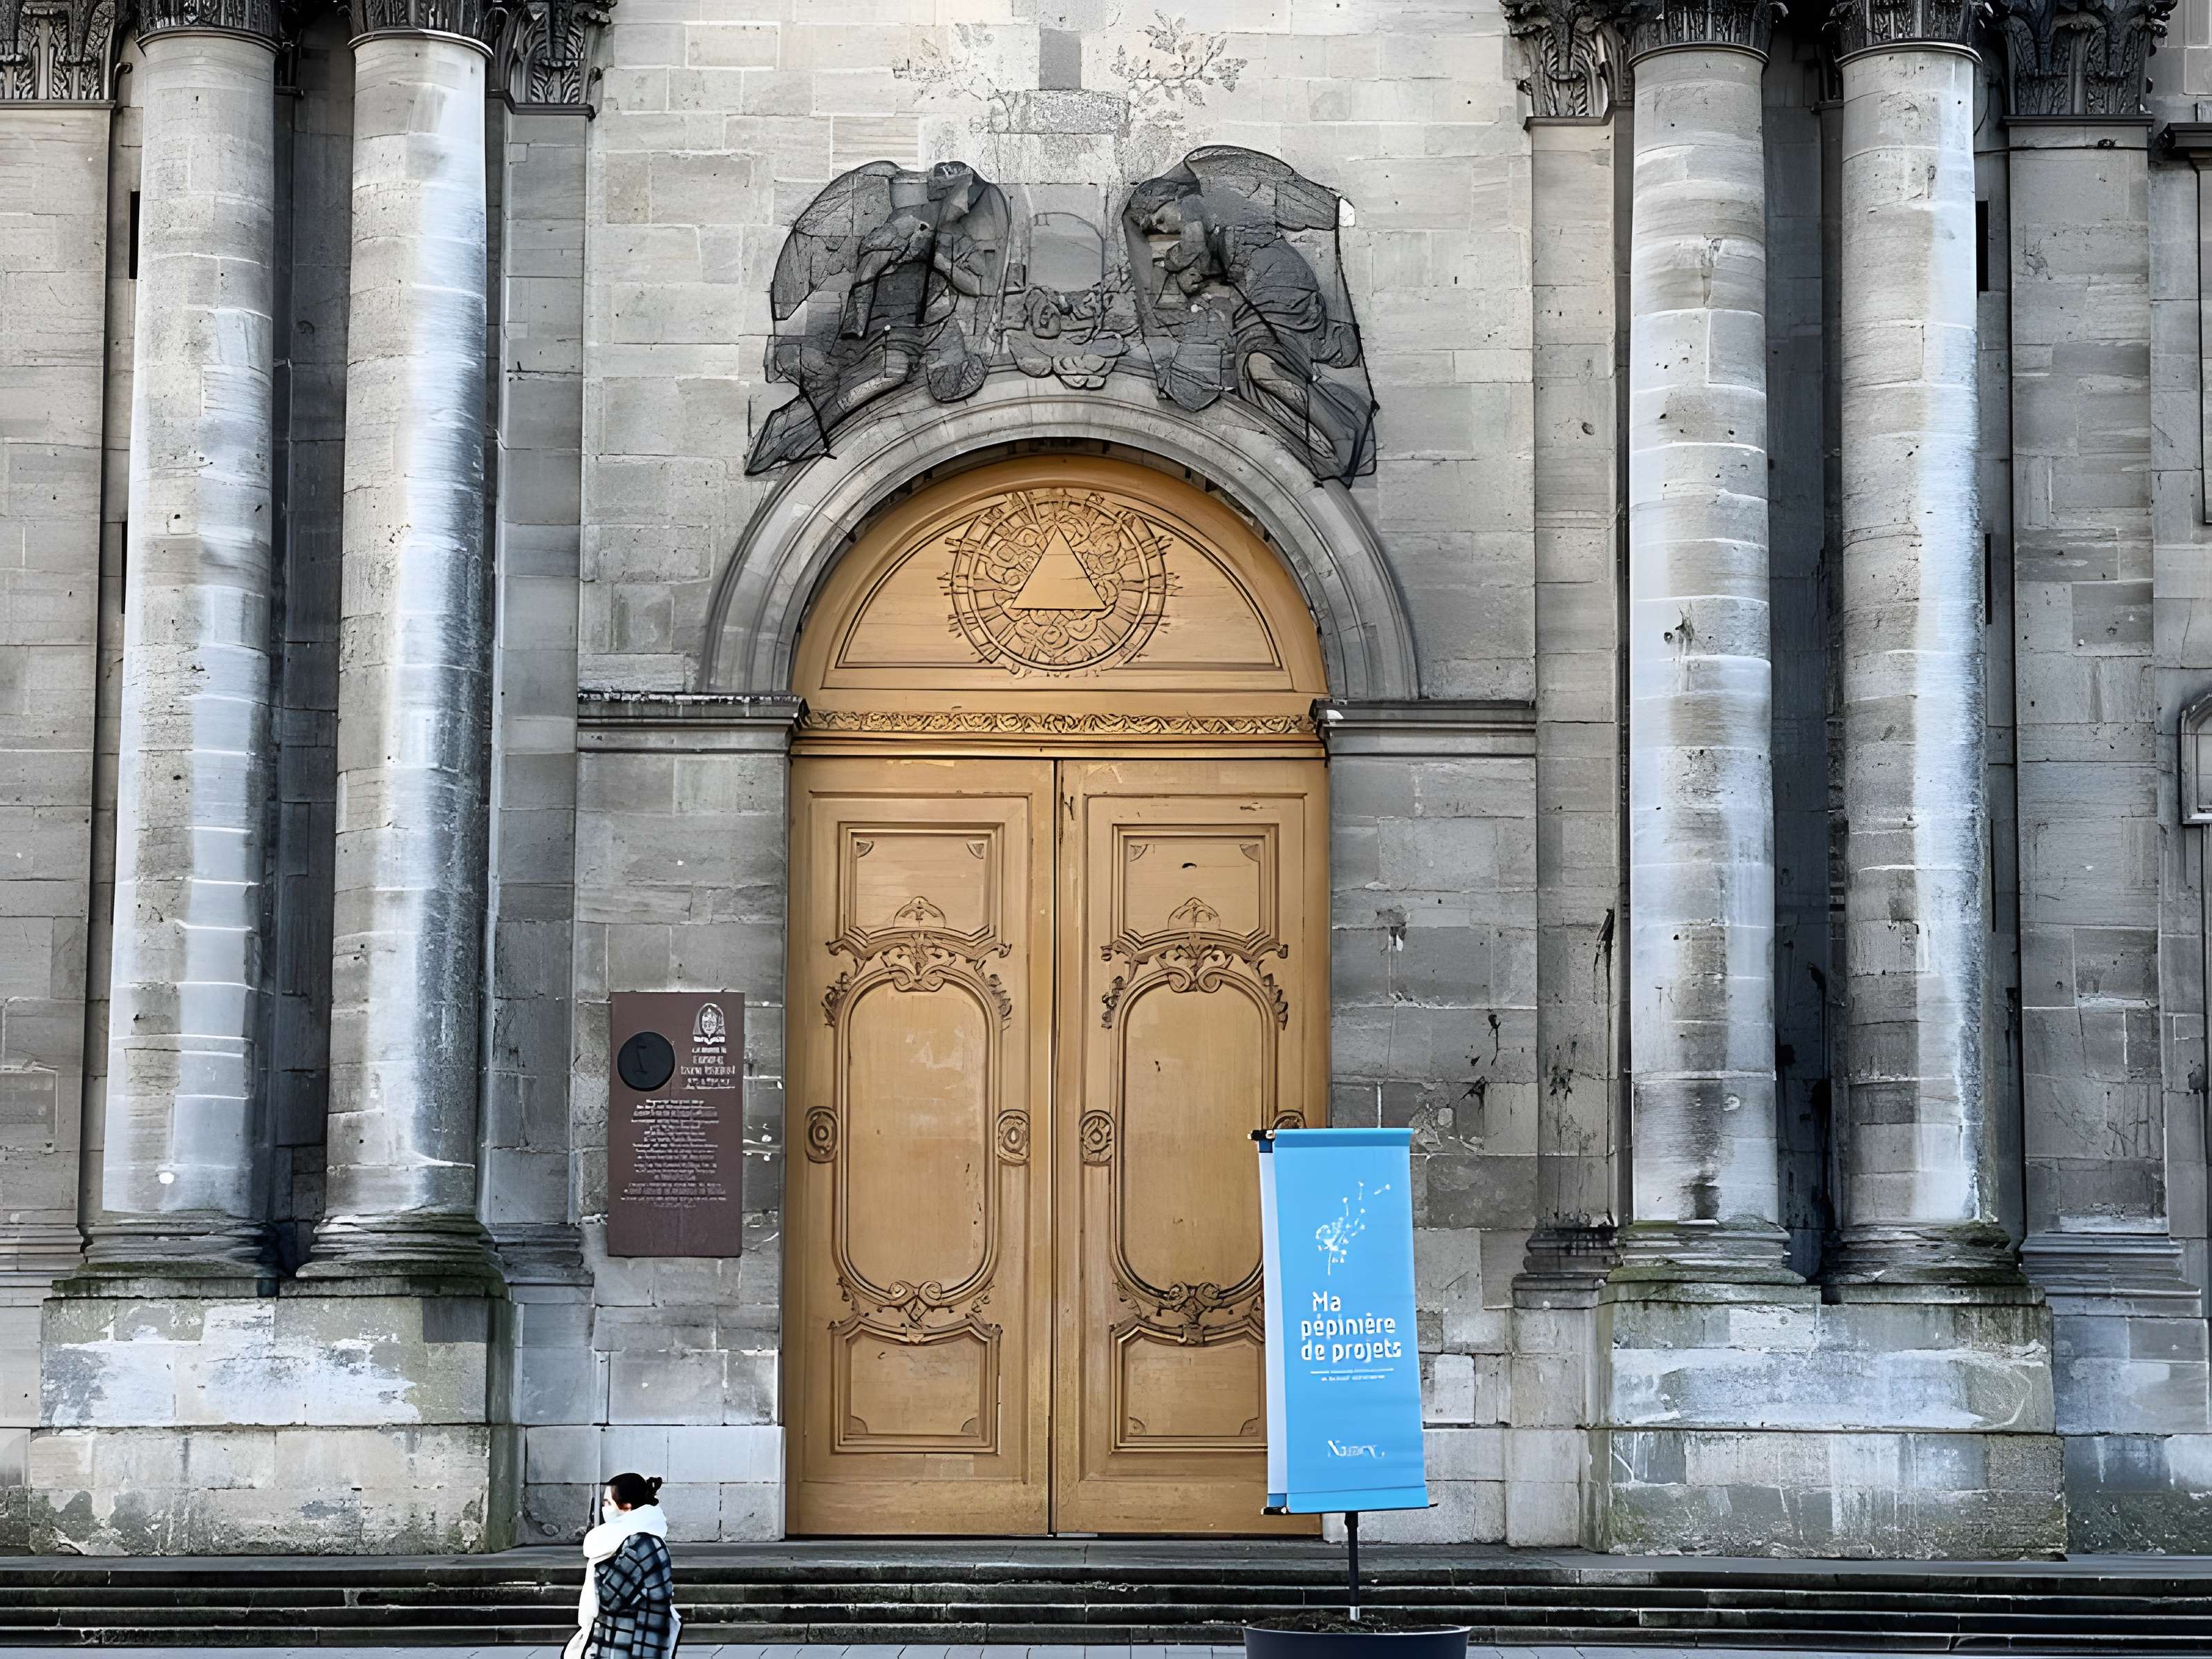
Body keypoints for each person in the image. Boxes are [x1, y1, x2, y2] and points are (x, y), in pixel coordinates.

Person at [564, 1473, 679, 1659]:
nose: (603, 1509)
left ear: (626, 1507)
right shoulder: (651, 1542)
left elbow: (606, 1599)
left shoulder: (637, 1546)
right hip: (642, 1642)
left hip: (621, 1644)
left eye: (607, 1503)